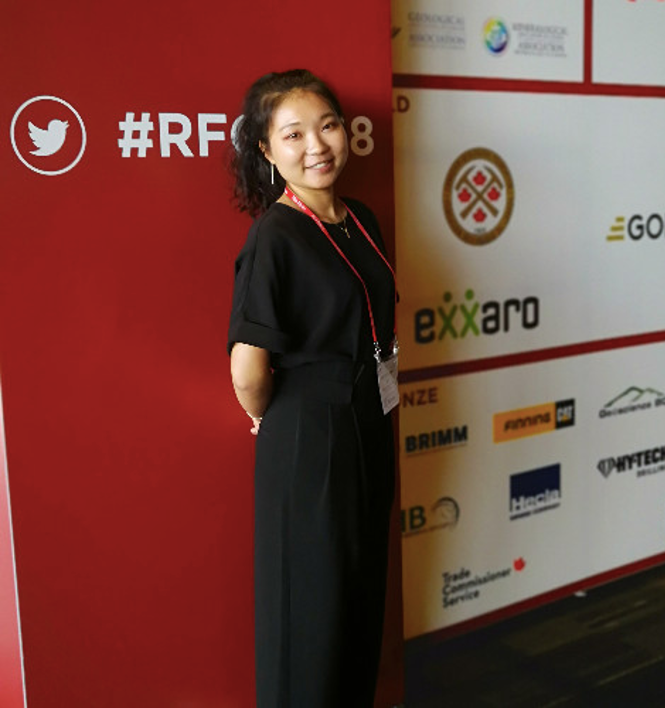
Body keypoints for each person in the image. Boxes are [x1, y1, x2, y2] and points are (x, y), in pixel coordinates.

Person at [226, 69, 398, 708]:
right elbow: (249, 367)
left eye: (326, 126)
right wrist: (272, 416)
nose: (317, 145)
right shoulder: (276, 234)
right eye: (293, 134)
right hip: (310, 435)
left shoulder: (362, 218)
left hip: (368, 421)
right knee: (314, 614)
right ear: (267, 152)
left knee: (358, 604)